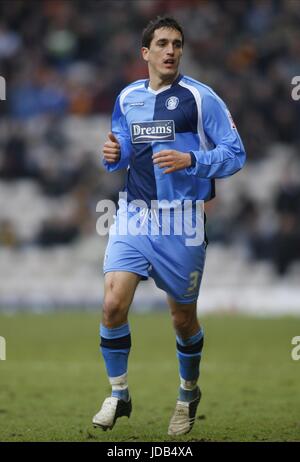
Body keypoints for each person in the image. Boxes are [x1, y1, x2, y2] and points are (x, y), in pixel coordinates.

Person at [93, 16, 246, 436]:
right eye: (161, 43)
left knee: (182, 319)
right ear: (145, 53)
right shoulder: (127, 97)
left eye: (177, 43)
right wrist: (113, 152)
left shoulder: (201, 98)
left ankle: (187, 392)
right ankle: (119, 393)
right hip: (135, 214)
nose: (170, 50)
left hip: (183, 223)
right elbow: (124, 150)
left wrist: (192, 160)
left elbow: (236, 153)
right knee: (112, 305)